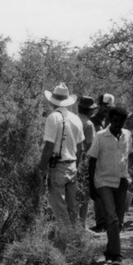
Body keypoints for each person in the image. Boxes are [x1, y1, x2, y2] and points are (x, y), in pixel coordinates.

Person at [37, 82, 87, 245]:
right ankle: (77, 240)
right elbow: (80, 148)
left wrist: (41, 168)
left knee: (59, 207)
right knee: (72, 208)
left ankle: (68, 243)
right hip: (72, 166)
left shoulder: (53, 117)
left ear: (52, 101)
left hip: (58, 167)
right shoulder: (76, 119)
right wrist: (75, 165)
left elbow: (49, 146)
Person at [87, 105, 133, 265]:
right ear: (109, 120)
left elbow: (128, 156)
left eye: (121, 121)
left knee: (118, 221)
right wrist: (91, 185)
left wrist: (129, 179)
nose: (117, 124)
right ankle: (116, 256)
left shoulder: (127, 135)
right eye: (115, 121)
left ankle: (110, 250)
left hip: (121, 181)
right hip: (103, 181)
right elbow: (92, 160)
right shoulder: (100, 136)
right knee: (112, 218)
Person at [87, 93, 115, 232]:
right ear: (100, 105)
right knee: (97, 190)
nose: (106, 109)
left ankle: (109, 221)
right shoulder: (92, 121)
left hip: (108, 160)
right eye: (104, 106)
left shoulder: (111, 122)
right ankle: (100, 222)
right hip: (95, 158)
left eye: (109, 107)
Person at [75, 96, 98, 233]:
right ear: (90, 111)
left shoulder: (73, 119)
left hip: (71, 161)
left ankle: (74, 226)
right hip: (83, 162)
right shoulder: (88, 124)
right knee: (84, 195)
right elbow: (90, 146)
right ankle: (82, 226)